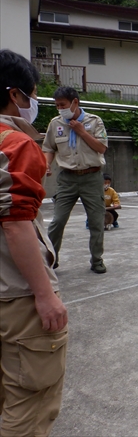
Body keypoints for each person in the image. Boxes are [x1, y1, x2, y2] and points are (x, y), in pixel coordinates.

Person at [0, 49, 69, 436]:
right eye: (33, 95)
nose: (35, 104)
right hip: (16, 295)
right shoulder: (15, 143)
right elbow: (16, 221)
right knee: (30, 405)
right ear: (16, 96)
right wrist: (44, 294)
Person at [43, 86, 109, 273]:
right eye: (57, 106)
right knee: (58, 221)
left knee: (96, 221)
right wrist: (47, 163)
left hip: (92, 177)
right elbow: (49, 147)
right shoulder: (55, 124)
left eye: (62, 105)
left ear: (75, 102)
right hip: (67, 179)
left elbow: (102, 148)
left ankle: (97, 260)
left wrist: (81, 131)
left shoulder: (94, 121)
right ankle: (51, 260)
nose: (60, 109)